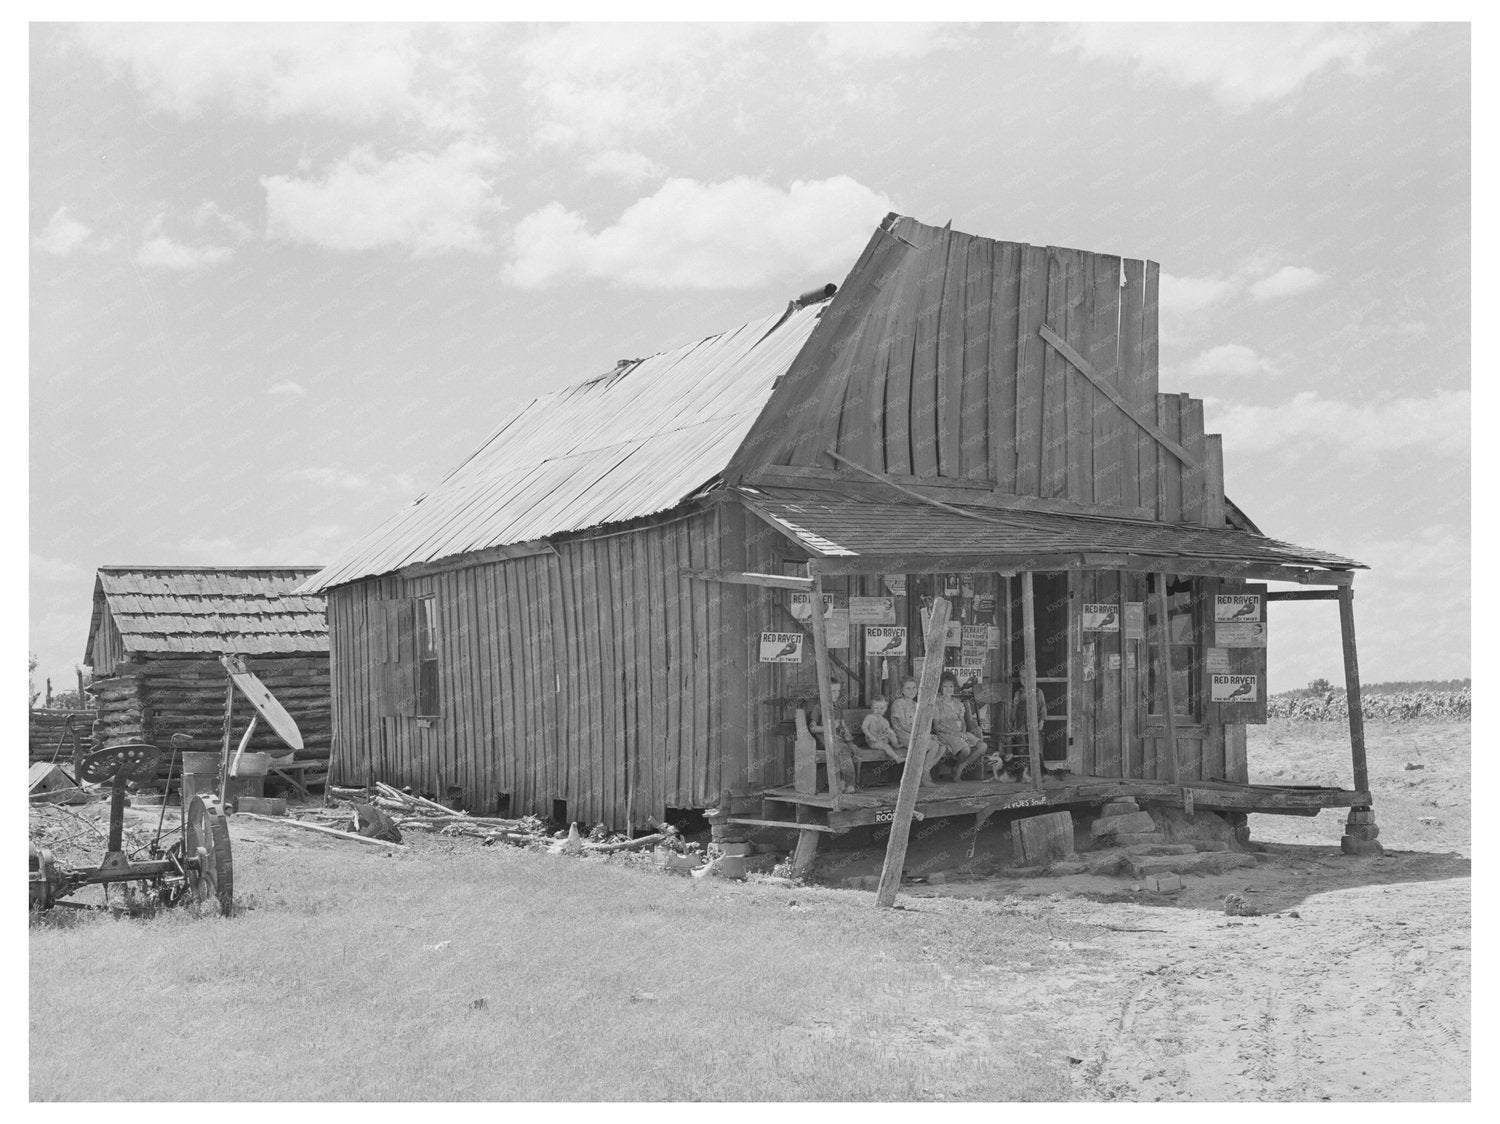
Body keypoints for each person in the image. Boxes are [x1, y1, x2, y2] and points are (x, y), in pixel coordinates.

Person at [888, 676, 941, 789]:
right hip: (903, 735)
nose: (912, 691)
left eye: (914, 688)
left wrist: (928, 735)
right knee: (933, 746)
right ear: (902, 690)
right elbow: (903, 725)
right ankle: (923, 776)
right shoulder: (899, 703)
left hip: (915, 734)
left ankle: (924, 772)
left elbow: (921, 724)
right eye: (908, 688)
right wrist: (921, 734)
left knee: (942, 747)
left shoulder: (916, 705)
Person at [808, 675, 858, 791]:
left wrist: (846, 733)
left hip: (838, 739)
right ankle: (850, 785)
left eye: (838, 691)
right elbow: (813, 728)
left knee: (855, 751)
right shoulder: (818, 708)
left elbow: (842, 725)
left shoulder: (837, 707)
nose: (836, 694)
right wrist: (829, 727)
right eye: (833, 691)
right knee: (843, 750)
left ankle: (842, 782)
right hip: (824, 740)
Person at [933, 672, 985, 781]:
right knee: (966, 749)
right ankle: (957, 772)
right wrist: (957, 734)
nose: (948, 689)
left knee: (982, 746)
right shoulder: (937, 704)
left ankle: (960, 767)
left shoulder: (958, 704)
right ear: (940, 688)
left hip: (960, 733)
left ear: (954, 687)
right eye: (945, 686)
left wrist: (963, 732)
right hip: (945, 734)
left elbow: (963, 722)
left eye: (951, 686)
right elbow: (937, 726)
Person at [861, 695, 904, 762]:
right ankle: (897, 758)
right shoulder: (870, 717)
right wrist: (870, 736)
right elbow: (864, 728)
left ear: (885, 709)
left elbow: (886, 731)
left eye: (881, 708)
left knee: (890, 731)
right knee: (886, 746)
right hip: (873, 741)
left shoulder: (885, 721)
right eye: (876, 708)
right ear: (872, 708)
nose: (879, 710)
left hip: (881, 738)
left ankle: (895, 744)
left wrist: (886, 734)